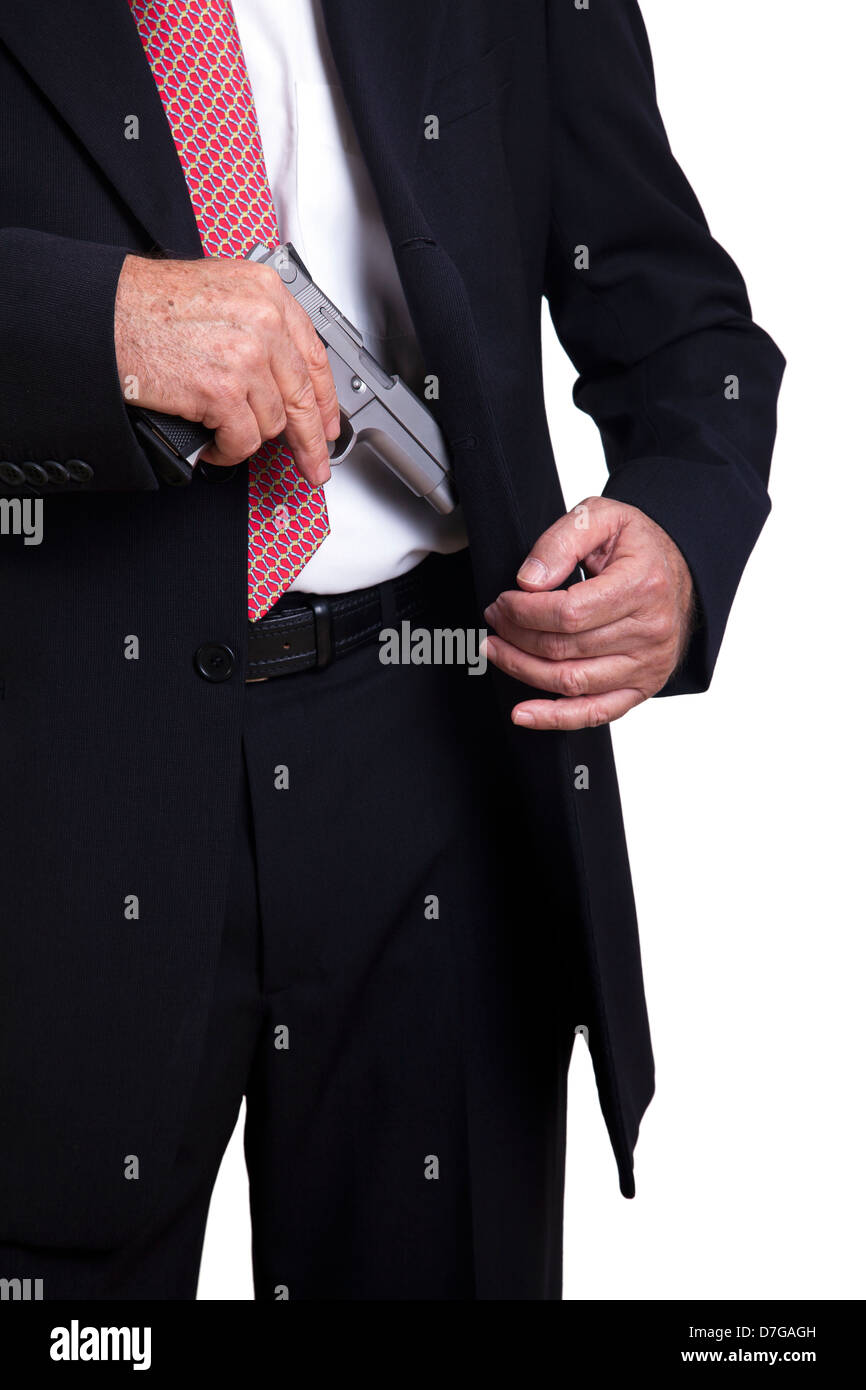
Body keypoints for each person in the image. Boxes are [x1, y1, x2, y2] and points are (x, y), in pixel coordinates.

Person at [0, 0, 784, 1300]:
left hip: (437, 753)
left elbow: (672, 314)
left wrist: (680, 536)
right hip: (49, 772)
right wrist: (86, 322)